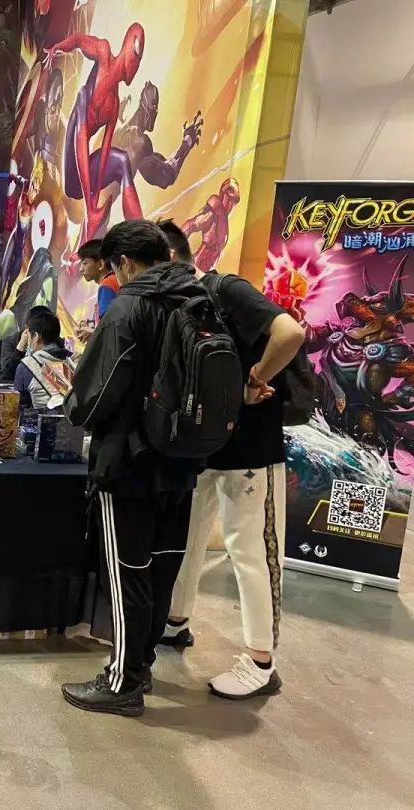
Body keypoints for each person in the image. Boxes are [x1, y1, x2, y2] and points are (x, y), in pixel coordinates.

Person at [61, 220, 204, 717]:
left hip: (128, 460)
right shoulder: (200, 299)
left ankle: (122, 681)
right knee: (162, 568)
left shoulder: (130, 306)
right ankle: (140, 665)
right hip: (182, 460)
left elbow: (97, 390)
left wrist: (73, 407)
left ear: (124, 262)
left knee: (126, 572)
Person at [160, 221, 306, 700]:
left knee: (250, 550)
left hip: (251, 450)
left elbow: (289, 332)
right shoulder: (183, 304)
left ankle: (261, 662)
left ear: (171, 257)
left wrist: (255, 379)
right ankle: (175, 621)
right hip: (203, 447)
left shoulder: (226, 290)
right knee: (189, 537)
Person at [14, 308, 73, 409]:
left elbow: (20, 406)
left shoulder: (25, 366)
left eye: (29, 336)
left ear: (36, 336)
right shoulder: (74, 361)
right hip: (72, 417)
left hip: (41, 418)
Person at [74, 238, 119, 344]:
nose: (81, 269)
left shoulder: (107, 284)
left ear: (100, 264)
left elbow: (109, 329)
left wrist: (91, 332)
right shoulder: (114, 280)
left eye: (85, 263)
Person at [0, 305, 54, 383]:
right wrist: (19, 349)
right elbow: (7, 373)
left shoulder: (55, 340)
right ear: (27, 329)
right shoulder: (10, 342)